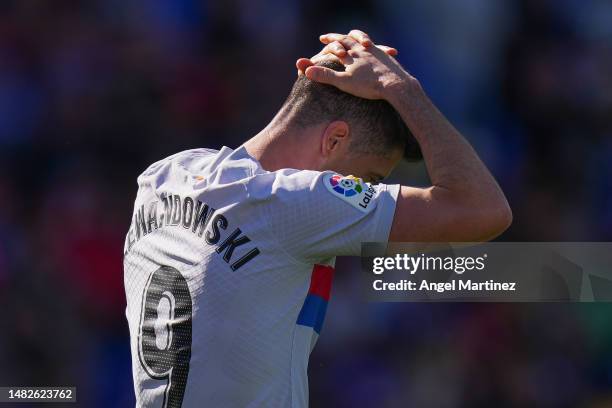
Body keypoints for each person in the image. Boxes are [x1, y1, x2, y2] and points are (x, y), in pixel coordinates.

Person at [123, 30, 511, 408]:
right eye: (371, 179)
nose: (369, 190)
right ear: (334, 140)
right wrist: (404, 90)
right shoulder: (296, 202)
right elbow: (483, 210)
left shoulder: (162, 177)